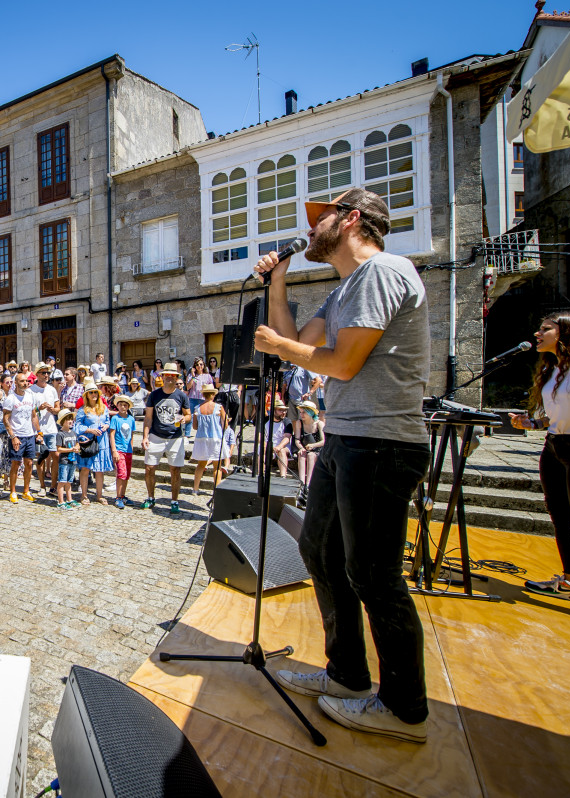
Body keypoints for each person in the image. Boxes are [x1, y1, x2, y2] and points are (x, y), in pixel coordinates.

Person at [254, 187, 431, 743]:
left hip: (381, 443)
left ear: (352, 219)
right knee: (321, 551)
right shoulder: (345, 289)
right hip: (348, 438)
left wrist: (280, 348)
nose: (310, 228)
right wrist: (277, 282)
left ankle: (405, 709)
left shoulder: (382, 272)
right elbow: (293, 341)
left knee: (374, 576)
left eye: (320, 217)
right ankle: (348, 674)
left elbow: (343, 364)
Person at [510, 312, 570, 605]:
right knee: (562, 517)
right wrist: (533, 423)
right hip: (556, 446)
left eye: (546, 329)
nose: (537, 334)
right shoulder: (556, 367)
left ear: (568, 332)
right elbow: (560, 414)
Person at [141, 366, 191, 514]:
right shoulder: (154, 395)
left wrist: (185, 419)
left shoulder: (181, 396)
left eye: (173, 375)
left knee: (175, 470)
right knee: (149, 468)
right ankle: (151, 497)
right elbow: (148, 418)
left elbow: (188, 414)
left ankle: (174, 501)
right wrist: (145, 436)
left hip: (175, 437)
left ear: (177, 378)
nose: (169, 377)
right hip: (156, 435)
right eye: (167, 374)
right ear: (162, 377)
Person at [1, 372, 40, 503]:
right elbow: (6, 419)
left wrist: (39, 432)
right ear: (16, 383)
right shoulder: (11, 398)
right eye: (22, 381)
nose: (25, 383)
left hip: (29, 434)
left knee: (29, 463)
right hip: (17, 435)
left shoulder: (30, 396)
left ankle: (26, 491)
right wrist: (13, 436)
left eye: (26, 381)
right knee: (16, 463)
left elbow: (33, 415)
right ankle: (12, 491)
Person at [76, 381, 113, 505]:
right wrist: (89, 430)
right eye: (91, 392)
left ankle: (99, 495)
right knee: (85, 468)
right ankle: (84, 495)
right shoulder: (83, 410)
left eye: (95, 392)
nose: (94, 395)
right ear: (86, 395)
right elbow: (77, 426)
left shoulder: (104, 408)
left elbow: (107, 421)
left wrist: (105, 426)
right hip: (88, 442)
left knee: (99, 470)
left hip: (101, 441)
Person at [29, 364, 61, 496]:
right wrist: (39, 408)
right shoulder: (31, 390)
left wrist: (53, 410)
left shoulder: (52, 389)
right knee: (41, 457)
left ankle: (53, 486)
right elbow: (29, 411)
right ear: (37, 375)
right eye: (43, 373)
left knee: (56, 456)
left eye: (48, 373)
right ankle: (42, 486)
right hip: (38, 429)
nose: (46, 375)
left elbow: (58, 407)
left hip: (51, 427)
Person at [191, 385, 227, 494]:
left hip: (202, 438)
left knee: (201, 465)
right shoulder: (219, 407)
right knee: (217, 467)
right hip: (216, 438)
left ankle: (195, 489)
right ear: (213, 394)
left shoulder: (197, 408)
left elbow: (195, 426)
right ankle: (217, 490)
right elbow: (225, 424)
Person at [293, 401, 325, 499]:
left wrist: (313, 445)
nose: (301, 414)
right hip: (305, 448)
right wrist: (301, 448)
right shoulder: (299, 423)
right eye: (301, 412)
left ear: (310, 413)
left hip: (317, 450)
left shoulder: (319, 424)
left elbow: (324, 441)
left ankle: (308, 484)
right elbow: (297, 439)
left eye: (304, 412)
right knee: (301, 454)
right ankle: (302, 483)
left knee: (311, 455)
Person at [109, 395, 136, 508]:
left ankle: (123, 495)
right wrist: (114, 450)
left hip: (128, 450)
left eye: (125, 405)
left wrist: (131, 448)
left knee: (127, 474)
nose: (123, 407)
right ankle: (118, 496)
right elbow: (112, 434)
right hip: (119, 449)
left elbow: (132, 434)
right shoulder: (115, 419)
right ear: (117, 406)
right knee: (121, 473)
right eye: (121, 405)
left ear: (128, 407)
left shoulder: (131, 419)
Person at [54, 410, 78, 509]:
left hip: (73, 460)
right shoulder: (60, 434)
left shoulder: (73, 433)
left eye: (71, 419)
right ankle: (61, 501)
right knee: (62, 481)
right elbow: (58, 449)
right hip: (64, 461)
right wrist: (70, 449)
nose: (71, 421)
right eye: (68, 419)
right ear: (63, 421)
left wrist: (77, 448)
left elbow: (77, 443)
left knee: (69, 481)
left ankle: (69, 499)